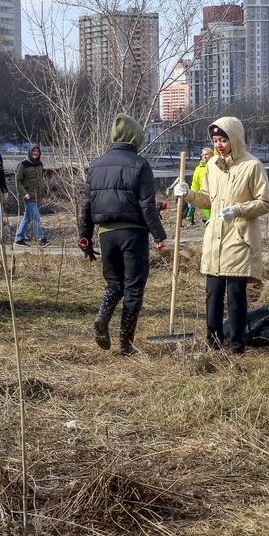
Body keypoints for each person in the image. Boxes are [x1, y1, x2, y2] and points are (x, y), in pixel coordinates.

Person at [173, 118, 269, 354]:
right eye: (215, 140)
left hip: (239, 238)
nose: (218, 145)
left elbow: (265, 203)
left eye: (223, 140)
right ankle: (213, 342)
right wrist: (188, 194)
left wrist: (238, 210)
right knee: (213, 294)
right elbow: (208, 198)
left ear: (235, 139)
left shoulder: (252, 165)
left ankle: (237, 346)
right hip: (215, 238)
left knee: (236, 296)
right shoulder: (212, 165)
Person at [79, 113, 167, 355]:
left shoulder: (96, 165)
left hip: (106, 234)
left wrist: (85, 239)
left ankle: (103, 315)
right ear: (135, 136)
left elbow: (86, 205)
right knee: (133, 288)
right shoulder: (140, 164)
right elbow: (147, 205)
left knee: (114, 284)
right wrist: (159, 236)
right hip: (133, 234)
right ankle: (125, 345)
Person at [14, 144, 48, 246]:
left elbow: (41, 178)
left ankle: (19, 238)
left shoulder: (40, 164)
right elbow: (17, 181)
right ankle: (41, 239)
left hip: (38, 196)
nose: (35, 153)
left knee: (27, 218)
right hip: (28, 197)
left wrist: (44, 190)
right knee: (35, 217)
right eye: (34, 151)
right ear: (30, 152)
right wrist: (24, 193)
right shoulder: (23, 164)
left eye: (37, 151)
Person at [188, 147, 213, 225]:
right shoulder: (199, 168)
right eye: (203, 155)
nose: (204, 156)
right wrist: (191, 197)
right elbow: (195, 183)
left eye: (207, 154)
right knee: (209, 217)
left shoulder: (217, 166)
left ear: (212, 155)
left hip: (217, 194)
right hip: (205, 196)